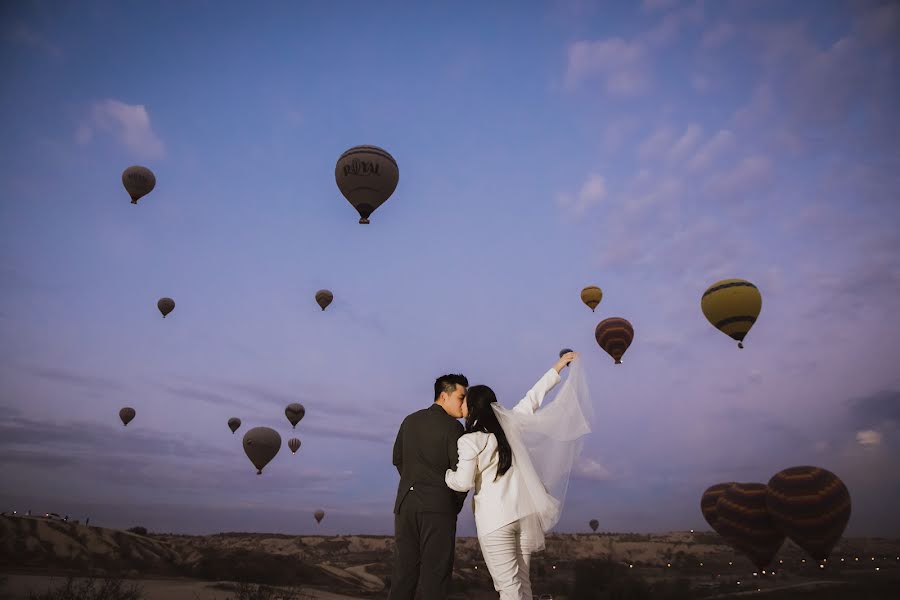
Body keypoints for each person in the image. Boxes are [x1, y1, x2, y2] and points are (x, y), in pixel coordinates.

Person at [446, 352, 591, 599]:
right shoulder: (510, 426)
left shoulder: (471, 441)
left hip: (496, 521)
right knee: (523, 584)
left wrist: (447, 474)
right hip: (524, 517)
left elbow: (462, 483)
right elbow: (533, 399)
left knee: (509, 587)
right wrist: (557, 368)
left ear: (473, 408)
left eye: (465, 402)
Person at [389, 373, 470, 600]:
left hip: (405, 505)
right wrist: (451, 503)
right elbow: (462, 475)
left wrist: (413, 482)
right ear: (444, 396)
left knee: (403, 575)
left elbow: (397, 458)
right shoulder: (454, 428)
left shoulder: (409, 420)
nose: (464, 404)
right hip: (438, 508)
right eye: (461, 397)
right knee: (436, 578)